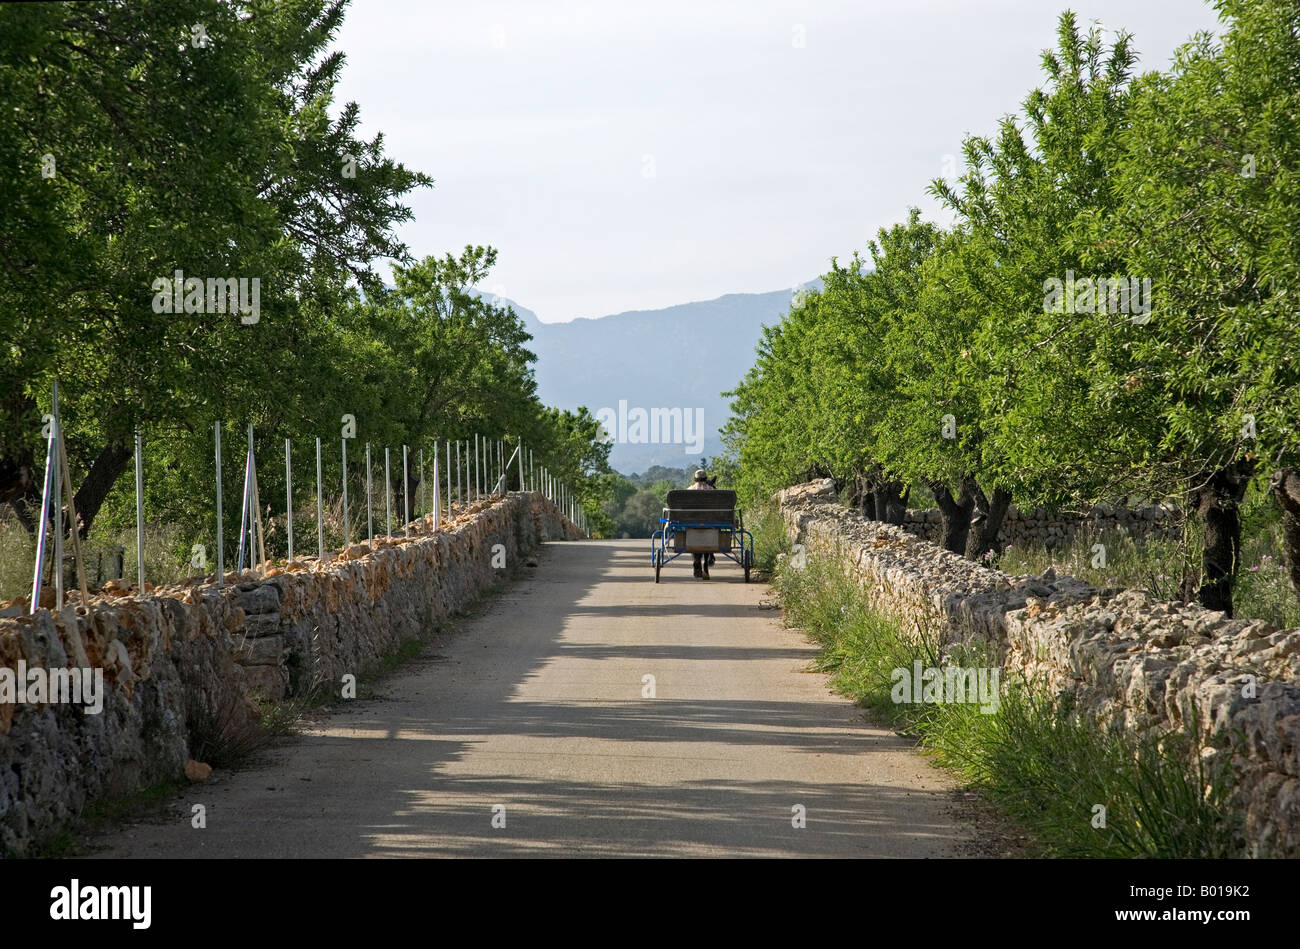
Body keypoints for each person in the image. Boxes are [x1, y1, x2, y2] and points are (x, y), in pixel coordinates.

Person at [687, 468, 714, 579]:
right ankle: (706, 564)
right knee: (709, 531)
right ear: (706, 478)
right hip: (709, 523)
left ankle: (696, 560)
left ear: (695, 479)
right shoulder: (712, 490)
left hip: (693, 523)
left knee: (693, 531)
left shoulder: (689, 490)